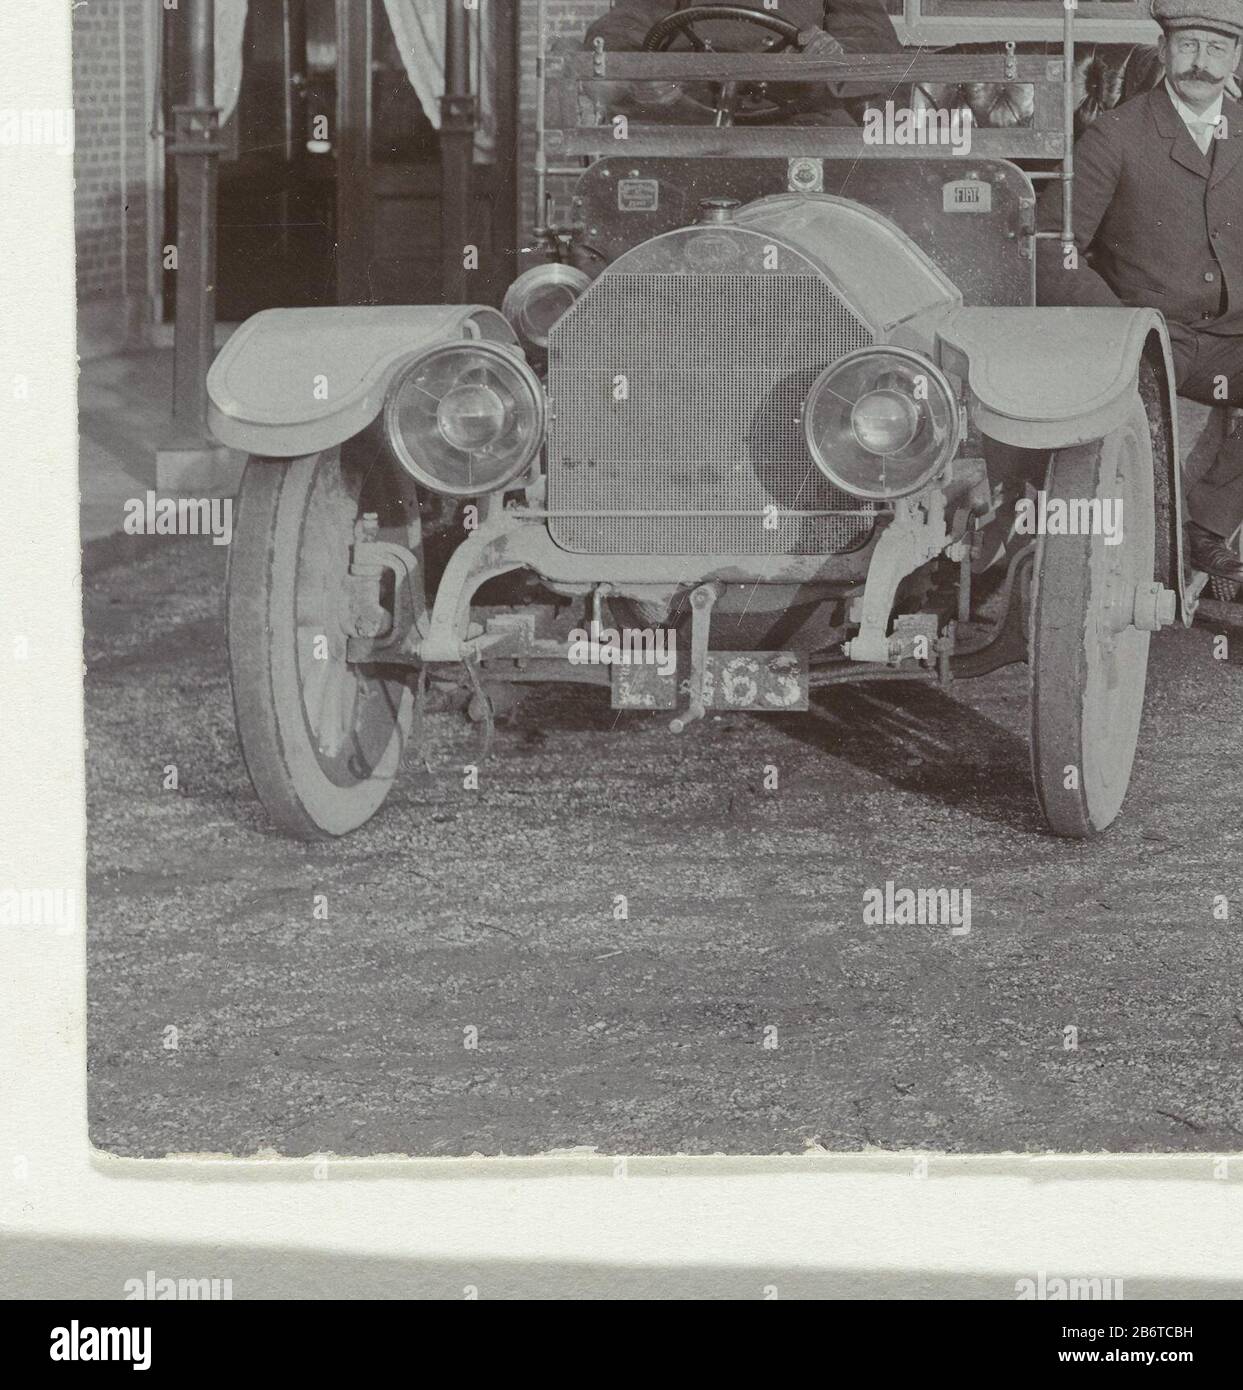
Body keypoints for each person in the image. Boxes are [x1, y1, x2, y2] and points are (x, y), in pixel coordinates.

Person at [1036, 0, 1243, 583]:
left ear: (1236, 59)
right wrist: (1118, 328)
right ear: (1163, 50)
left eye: (1217, 49)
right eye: (1188, 46)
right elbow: (1053, 244)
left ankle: (1206, 528)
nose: (1201, 63)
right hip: (1152, 334)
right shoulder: (1116, 133)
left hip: (1230, 339)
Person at [583, 0, 902, 121]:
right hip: (690, 119)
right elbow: (621, 29)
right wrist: (639, 78)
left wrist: (835, 54)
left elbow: (874, 39)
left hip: (801, 120)